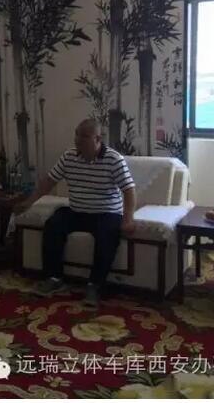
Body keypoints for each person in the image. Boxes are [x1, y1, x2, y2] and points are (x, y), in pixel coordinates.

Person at [13, 119, 136, 307]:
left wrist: (128, 219)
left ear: (98, 139)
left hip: (106, 213)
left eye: (84, 136)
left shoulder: (114, 159)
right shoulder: (69, 156)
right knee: (53, 225)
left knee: (108, 236)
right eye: (76, 134)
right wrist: (29, 202)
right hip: (77, 210)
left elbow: (129, 190)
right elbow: (49, 181)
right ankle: (54, 278)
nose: (78, 140)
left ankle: (95, 285)